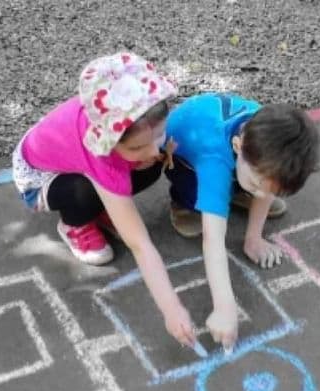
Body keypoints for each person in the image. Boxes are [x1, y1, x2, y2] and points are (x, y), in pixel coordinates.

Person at [11, 52, 196, 346]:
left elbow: (148, 145)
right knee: (84, 190)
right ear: (111, 140)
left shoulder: (138, 127)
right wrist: (172, 309)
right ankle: (76, 224)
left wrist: (148, 148)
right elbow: (140, 244)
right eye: (137, 147)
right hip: (40, 178)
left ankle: (107, 205)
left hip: (81, 158)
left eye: (157, 135)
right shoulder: (101, 156)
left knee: (152, 166)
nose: (151, 149)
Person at [164, 93, 320, 350]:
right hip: (180, 156)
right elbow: (213, 240)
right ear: (237, 146)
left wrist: (254, 238)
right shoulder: (214, 158)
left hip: (234, 159)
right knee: (211, 189)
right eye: (258, 186)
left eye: (272, 191)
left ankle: (237, 189)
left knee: (254, 180)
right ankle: (184, 203)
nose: (263, 195)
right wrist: (224, 307)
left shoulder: (267, 141)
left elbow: (263, 181)